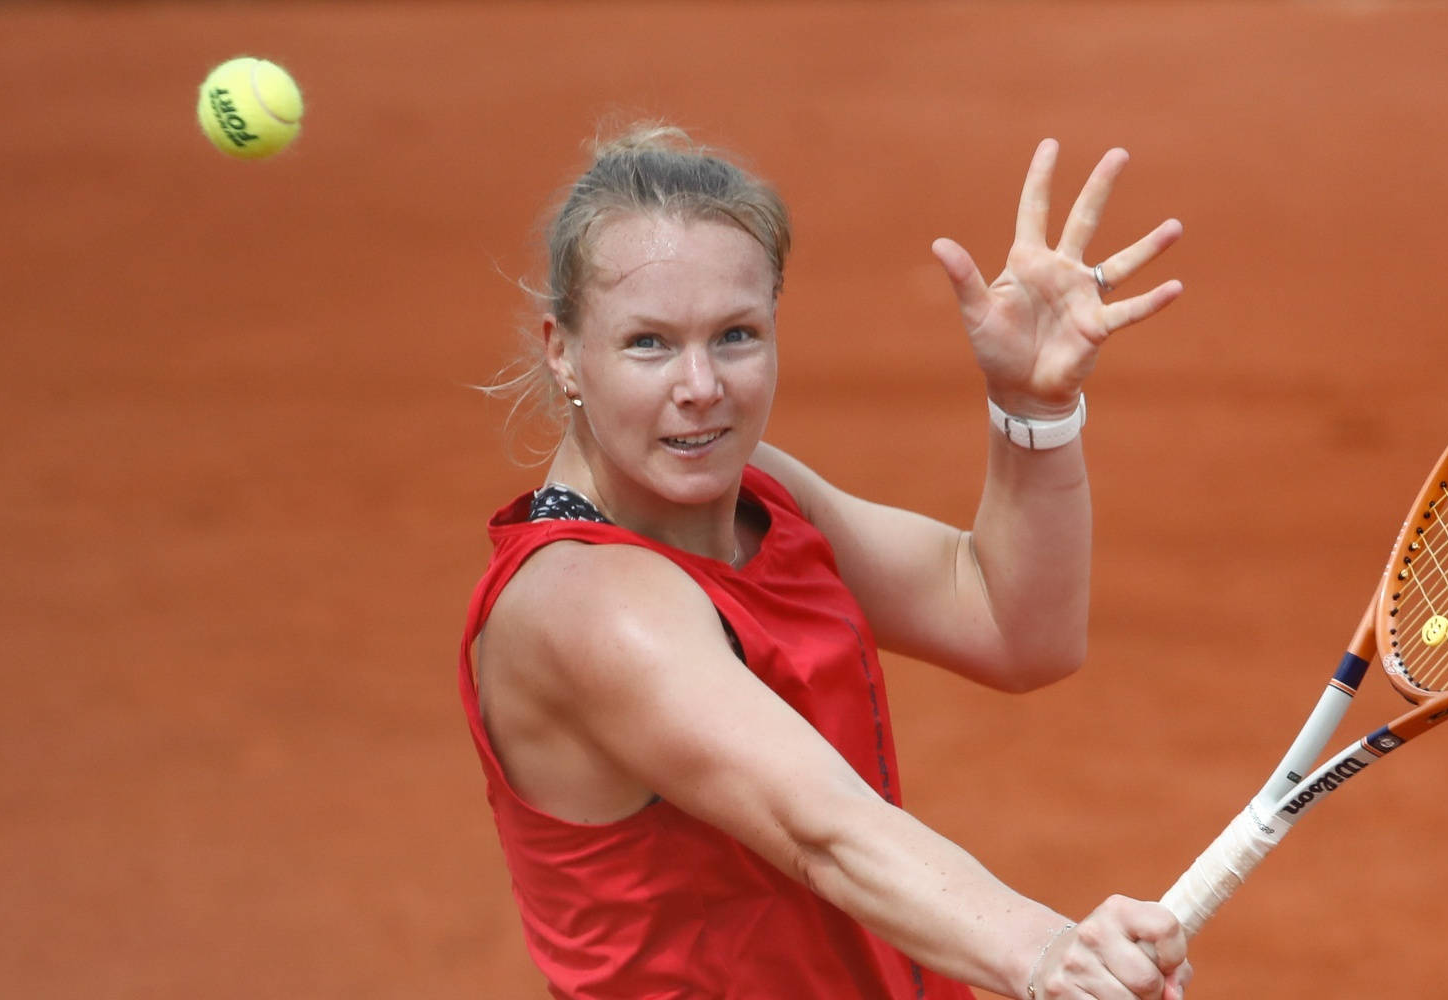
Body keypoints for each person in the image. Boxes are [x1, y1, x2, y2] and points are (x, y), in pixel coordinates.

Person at [458, 122, 1189, 1000]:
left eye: (735, 335)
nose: (700, 387)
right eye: (648, 343)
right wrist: (1041, 951)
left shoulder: (760, 493)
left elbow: (1013, 626)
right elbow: (824, 828)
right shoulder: (582, 602)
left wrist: (1032, 411)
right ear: (563, 351)